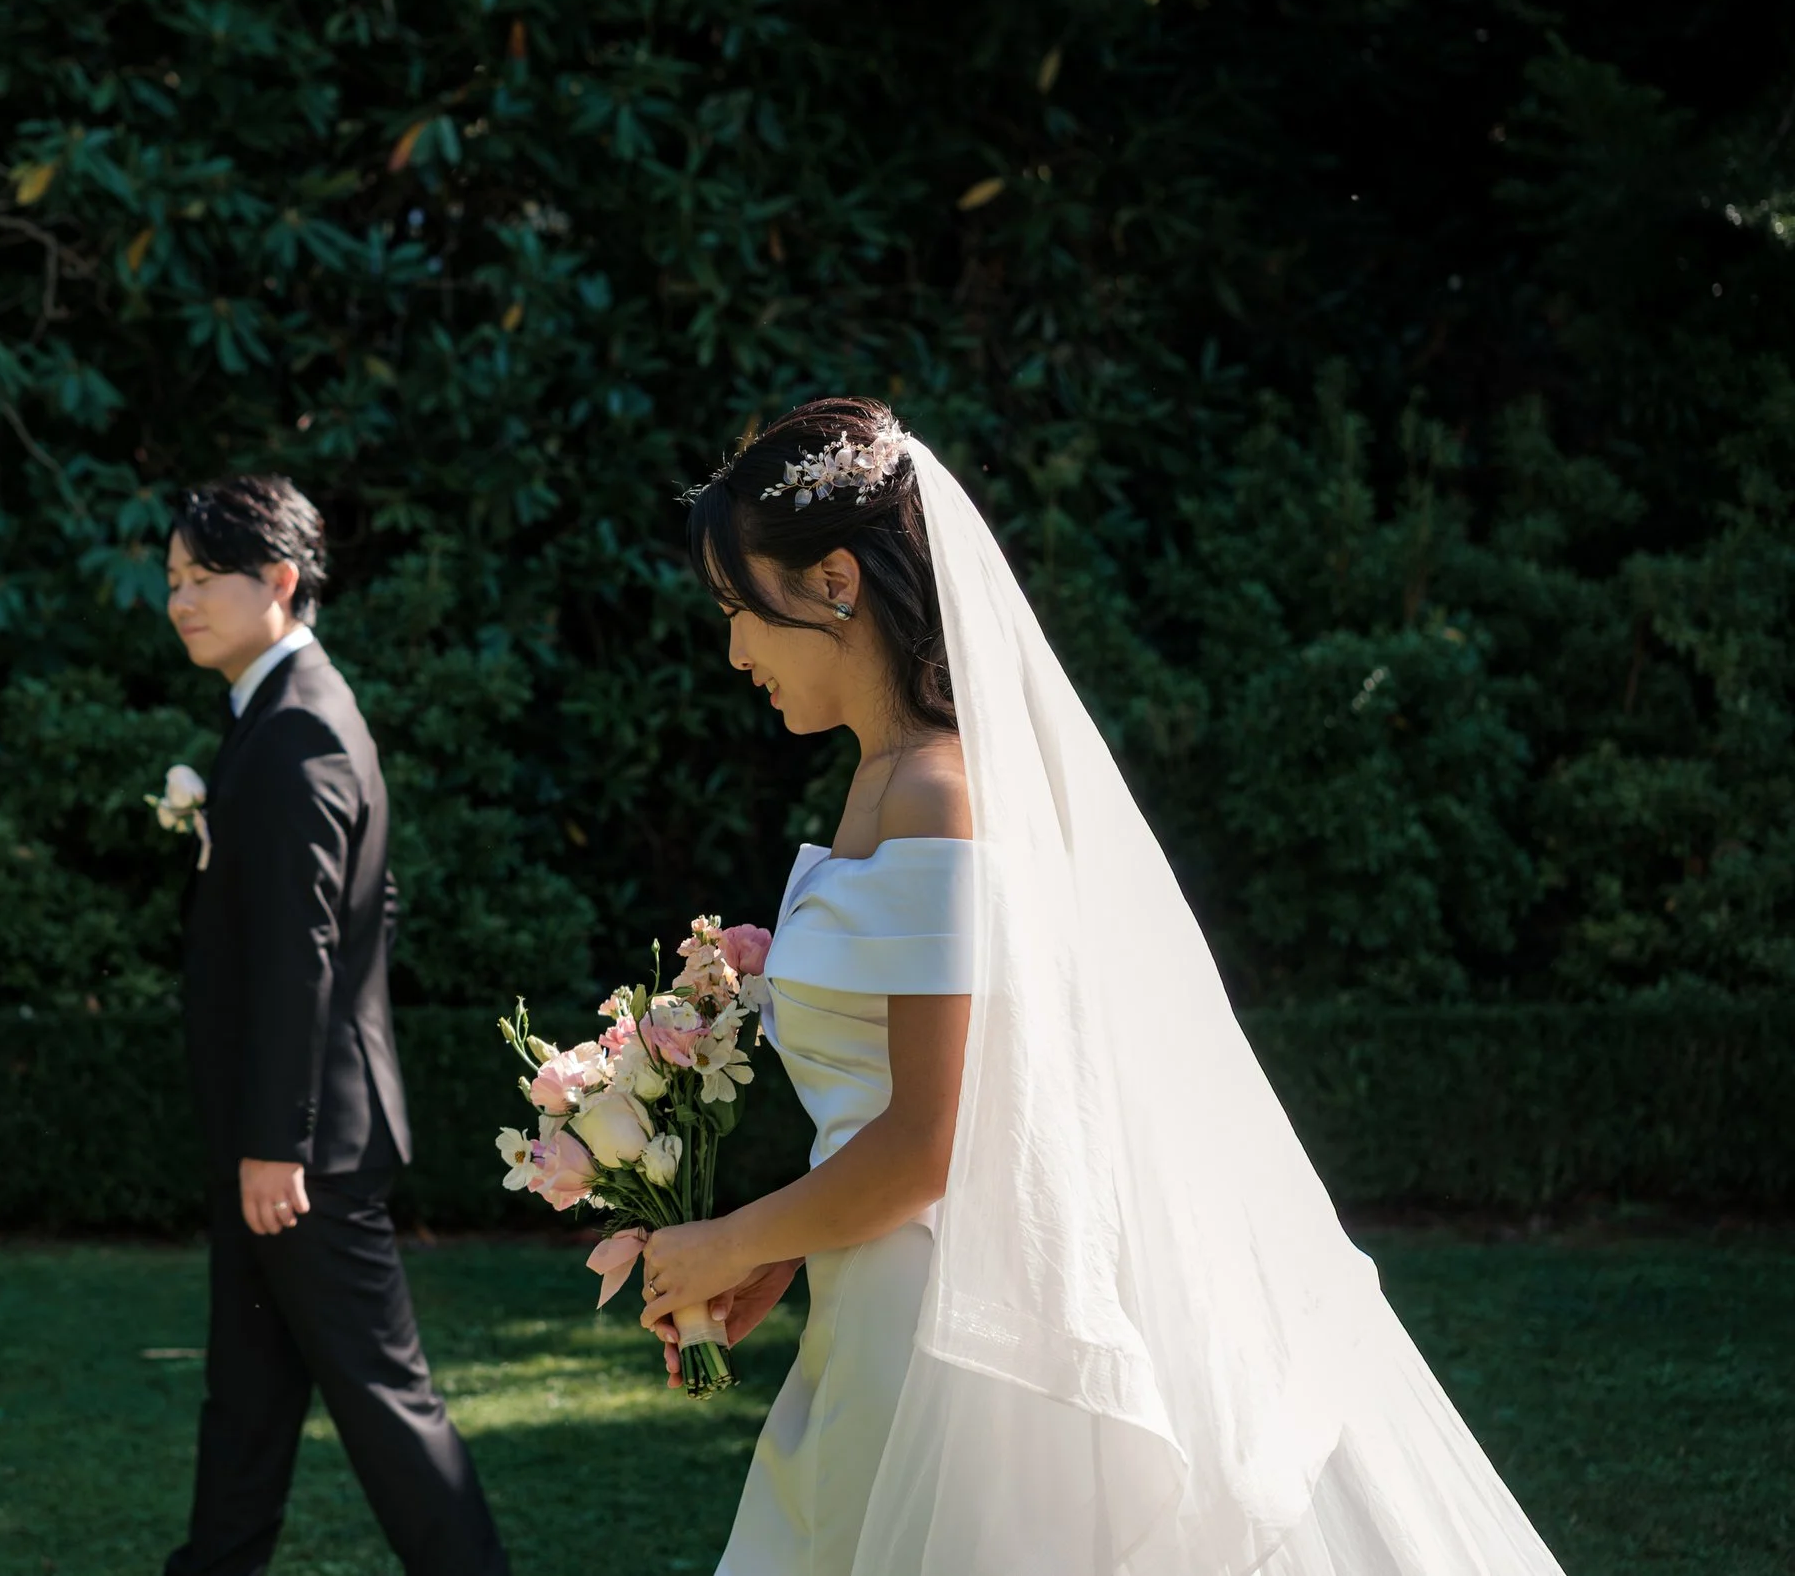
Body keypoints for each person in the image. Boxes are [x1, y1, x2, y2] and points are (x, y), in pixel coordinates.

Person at [635, 399, 1569, 1574]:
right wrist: (783, 1245)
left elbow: (929, 1143)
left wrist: (728, 1239)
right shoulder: (884, 782)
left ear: (832, 581)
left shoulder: (933, 794)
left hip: (942, 1336)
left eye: (738, 610)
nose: (734, 652)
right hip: (874, 1297)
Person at [161, 474, 509, 1576]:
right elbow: (373, 907)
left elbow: (303, 949)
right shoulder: (285, 707)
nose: (179, 600)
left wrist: (278, 1137)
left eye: (201, 577)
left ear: (279, 580)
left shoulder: (298, 724)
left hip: (303, 1158)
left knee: (386, 1410)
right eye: (171, 578)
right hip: (288, 1141)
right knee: (247, 1407)